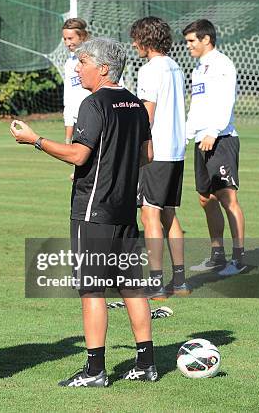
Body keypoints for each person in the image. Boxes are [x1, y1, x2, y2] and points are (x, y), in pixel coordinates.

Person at [10, 37, 157, 386]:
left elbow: (78, 155)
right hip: (123, 210)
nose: (77, 68)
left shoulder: (93, 104)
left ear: (103, 69)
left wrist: (36, 140)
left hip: (93, 210)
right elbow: (147, 155)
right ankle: (147, 364)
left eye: (83, 62)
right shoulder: (136, 105)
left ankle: (95, 371)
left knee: (92, 290)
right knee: (131, 286)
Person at [130, 17, 191, 298]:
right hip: (176, 151)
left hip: (158, 151)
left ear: (146, 40)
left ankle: (155, 282)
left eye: (135, 39)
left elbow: (147, 116)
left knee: (149, 214)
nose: (133, 44)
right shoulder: (175, 67)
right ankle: (180, 281)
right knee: (169, 213)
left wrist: (133, 145)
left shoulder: (150, 70)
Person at [183, 19, 246, 276]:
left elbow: (225, 101)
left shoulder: (222, 64)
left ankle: (239, 258)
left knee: (228, 198)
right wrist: (186, 135)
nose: (188, 46)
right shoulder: (199, 69)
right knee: (205, 198)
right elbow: (197, 108)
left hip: (220, 138)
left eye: (191, 41)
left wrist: (213, 131)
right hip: (202, 140)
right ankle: (217, 255)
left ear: (206, 39)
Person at [62, 18, 91, 144]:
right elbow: (68, 101)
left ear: (82, 37)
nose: (67, 43)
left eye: (70, 38)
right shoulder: (69, 64)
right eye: (65, 39)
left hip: (96, 120)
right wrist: (68, 138)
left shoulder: (96, 58)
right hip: (78, 124)